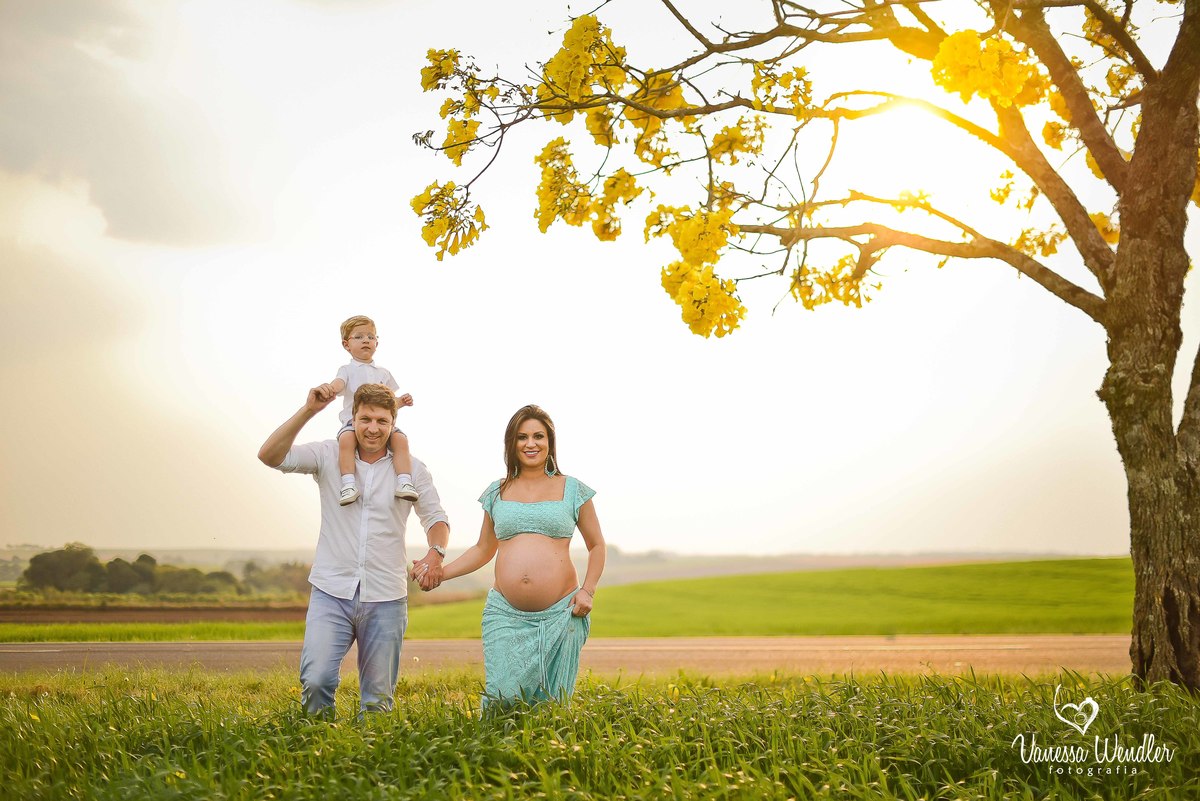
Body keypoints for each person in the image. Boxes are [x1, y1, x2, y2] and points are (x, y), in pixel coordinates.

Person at [258, 382, 450, 716]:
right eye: (365, 419)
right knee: (316, 681)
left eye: (381, 421)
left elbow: (436, 518)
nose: (373, 428)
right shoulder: (328, 455)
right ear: (352, 417)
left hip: (386, 597)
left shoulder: (413, 470)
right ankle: (318, 751)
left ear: (393, 424)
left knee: (377, 701)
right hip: (331, 590)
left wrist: (436, 552)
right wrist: (309, 410)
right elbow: (270, 456)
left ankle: (369, 761)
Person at [424, 404, 605, 707]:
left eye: (538, 436)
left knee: (552, 705)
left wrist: (588, 590)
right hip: (505, 613)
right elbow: (483, 548)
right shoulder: (497, 492)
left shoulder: (573, 490)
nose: (531, 443)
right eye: (522, 437)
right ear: (512, 443)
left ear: (550, 442)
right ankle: (494, 751)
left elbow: (597, 545)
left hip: (562, 613)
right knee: (503, 698)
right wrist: (442, 572)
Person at [320, 315, 419, 506]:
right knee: (346, 439)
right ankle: (348, 483)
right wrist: (332, 388)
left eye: (370, 337)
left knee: (400, 439)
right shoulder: (347, 370)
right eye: (358, 337)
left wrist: (401, 401)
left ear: (377, 343)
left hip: (380, 423)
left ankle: (404, 481)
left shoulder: (383, 373)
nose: (366, 340)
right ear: (346, 344)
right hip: (353, 422)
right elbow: (339, 383)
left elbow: (388, 403)